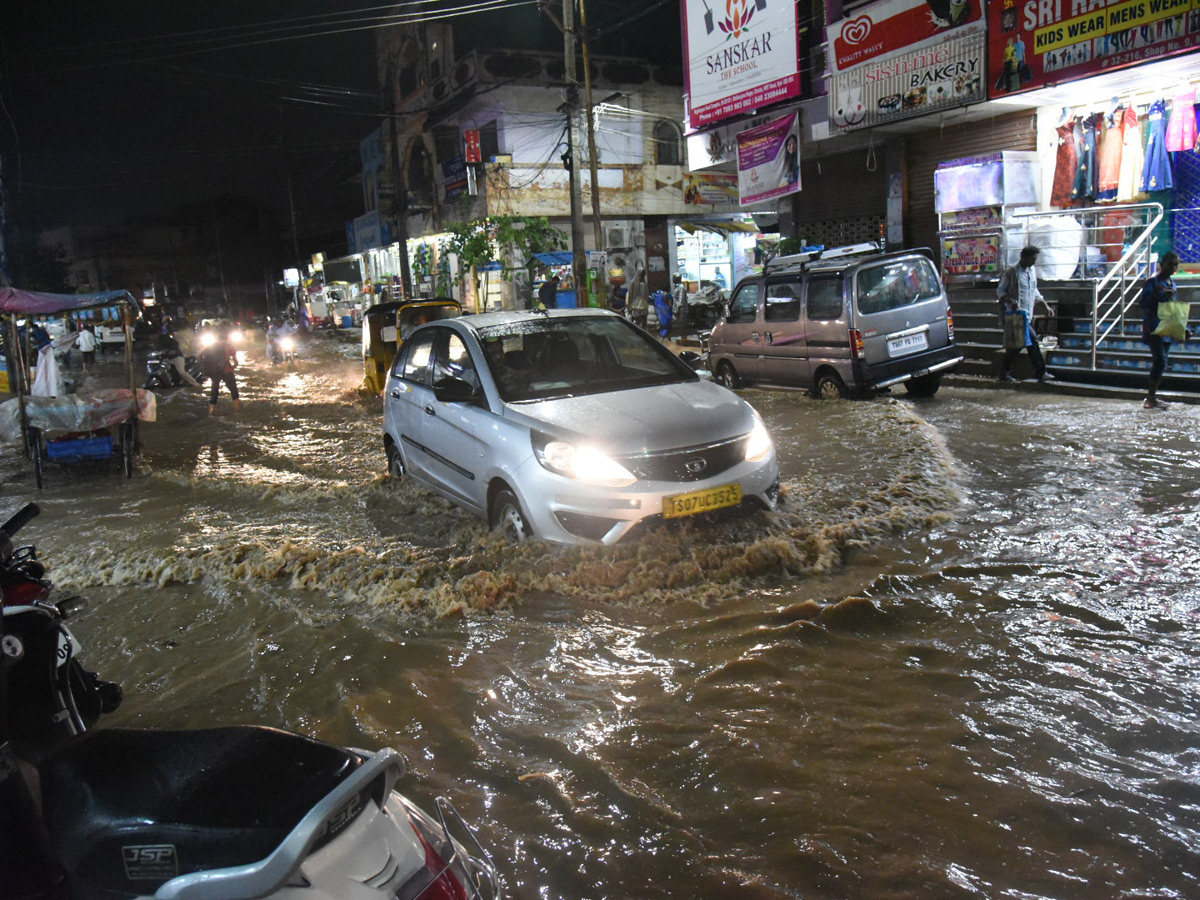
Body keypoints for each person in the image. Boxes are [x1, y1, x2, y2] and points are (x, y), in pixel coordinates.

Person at [996, 245, 1052, 383]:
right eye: (1032, 259)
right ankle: (1041, 372)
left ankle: (1003, 373)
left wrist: (1045, 305)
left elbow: (1034, 290)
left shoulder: (1031, 271)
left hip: (1028, 314)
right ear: (1024, 257)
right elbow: (1001, 291)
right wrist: (1010, 301)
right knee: (1032, 342)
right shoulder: (1011, 272)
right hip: (1016, 316)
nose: (1034, 262)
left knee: (1017, 346)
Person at [1139, 250, 1181, 409]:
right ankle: (1150, 398)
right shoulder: (1153, 282)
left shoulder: (1173, 283)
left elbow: (1173, 308)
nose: (1173, 267)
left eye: (1176, 264)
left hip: (1167, 328)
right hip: (1154, 327)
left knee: (1162, 363)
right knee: (1160, 360)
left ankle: (1153, 396)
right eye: (1170, 264)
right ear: (1162, 264)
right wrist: (1159, 295)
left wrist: (1181, 327)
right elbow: (1143, 304)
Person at [199, 328, 240, 415]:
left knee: (214, 391)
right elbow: (236, 362)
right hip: (227, 371)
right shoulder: (230, 346)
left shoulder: (211, 346)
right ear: (227, 337)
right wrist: (231, 368)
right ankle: (237, 411)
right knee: (234, 391)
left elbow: (199, 356)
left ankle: (212, 411)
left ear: (217, 337)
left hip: (215, 372)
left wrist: (205, 367)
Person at [627, 262, 649, 329]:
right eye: (642, 274)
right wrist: (630, 305)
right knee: (638, 323)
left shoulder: (643, 283)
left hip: (642, 305)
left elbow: (645, 295)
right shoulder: (633, 283)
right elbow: (630, 294)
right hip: (636, 305)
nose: (643, 276)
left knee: (643, 322)